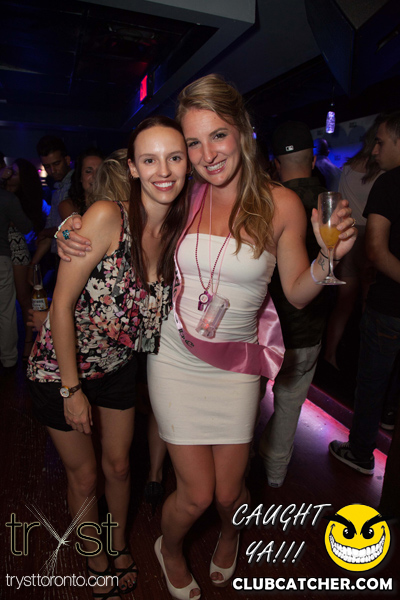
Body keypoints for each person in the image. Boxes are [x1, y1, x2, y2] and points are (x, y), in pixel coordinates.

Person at [57, 75, 356, 600]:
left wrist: (328, 260)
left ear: (241, 130)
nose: (207, 155)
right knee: (196, 494)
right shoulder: (182, 195)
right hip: (176, 359)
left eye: (217, 135)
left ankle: (231, 532)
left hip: (237, 367)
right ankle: (169, 549)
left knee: (229, 494)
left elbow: (296, 293)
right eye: (193, 143)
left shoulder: (281, 204)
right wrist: (69, 230)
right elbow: (118, 216)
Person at [27, 116, 189, 600]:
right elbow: (61, 305)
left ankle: (118, 544)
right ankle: (94, 555)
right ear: (133, 168)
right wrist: (72, 389)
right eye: (150, 159)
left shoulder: (181, 228)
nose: (164, 170)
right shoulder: (106, 217)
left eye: (174, 157)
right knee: (86, 476)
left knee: (119, 468)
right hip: (61, 369)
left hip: (118, 368)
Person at [258, 121, 329, 488]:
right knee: (288, 405)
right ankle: (274, 475)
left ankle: (240, 467)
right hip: (307, 329)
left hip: (265, 328)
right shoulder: (331, 204)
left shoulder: (264, 203)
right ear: (312, 160)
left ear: (275, 164)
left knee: (248, 401)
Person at [330, 110, 400, 474]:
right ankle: (389, 414)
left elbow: (375, 249)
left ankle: (360, 452)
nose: (375, 150)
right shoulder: (380, 177)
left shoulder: (388, 182)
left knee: (372, 377)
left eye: (381, 143)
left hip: (387, 300)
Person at [323, 120, 382, 370]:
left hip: (348, 236)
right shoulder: (383, 171)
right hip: (372, 237)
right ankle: (368, 361)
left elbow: (337, 203)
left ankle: (330, 354)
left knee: (344, 303)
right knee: (369, 304)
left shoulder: (347, 167)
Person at [1, 158, 44, 358]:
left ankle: (29, 342)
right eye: (10, 170)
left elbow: (28, 227)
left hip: (17, 249)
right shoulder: (5, 194)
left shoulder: (19, 199)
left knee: (23, 298)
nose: (10, 174)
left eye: (15, 173)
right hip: (6, 250)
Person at [0, 187, 33, 370]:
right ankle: (8, 359)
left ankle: (16, 354)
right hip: (4, 256)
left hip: (11, 254)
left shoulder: (9, 197)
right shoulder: (7, 198)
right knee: (6, 310)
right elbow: (27, 226)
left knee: (15, 304)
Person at [59, 147, 105, 219]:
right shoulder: (68, 206)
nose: (95, 176)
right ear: (80, 176)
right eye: (88, 171)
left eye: (100, 171)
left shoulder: (113, 203)